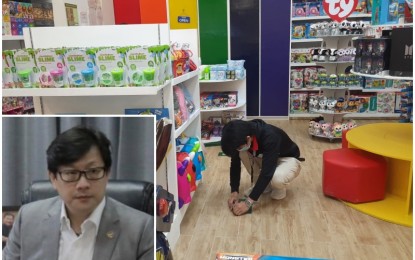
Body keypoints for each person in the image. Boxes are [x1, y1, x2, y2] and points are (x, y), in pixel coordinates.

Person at [3, 126, 153, 260]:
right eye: (70, 173)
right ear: (53, 178)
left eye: (93, 171)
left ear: (107, 173)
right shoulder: (27, 219)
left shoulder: (141, 229)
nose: (83, 184)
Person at [221, 119, 302, 216]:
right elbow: (235, 164)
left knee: (277, 179)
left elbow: (267, 172)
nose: (238, 149)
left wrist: (248, 203)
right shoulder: (240, 135)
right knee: (241, 153)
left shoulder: (270, 136)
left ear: (248, 138)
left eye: (238, 147)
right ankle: (264, 186)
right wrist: (234, 191)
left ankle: (279, 188)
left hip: (287, 159)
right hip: (267, 157)